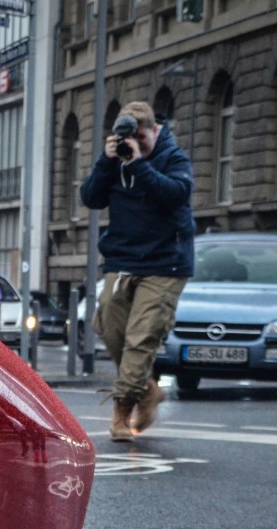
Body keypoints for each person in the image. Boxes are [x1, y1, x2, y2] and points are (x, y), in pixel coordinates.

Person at [80, 100, 195, 441]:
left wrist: (140, 164)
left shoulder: (173, 158)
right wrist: (107, 159)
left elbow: (175, 194)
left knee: (140, 338)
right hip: (122, 259)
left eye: (140, 138)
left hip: (165, 263)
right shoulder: (115, 160)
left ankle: (121, 412)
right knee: (111, 329)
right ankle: (146, 389)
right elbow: (90, 197)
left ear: (152, 131)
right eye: (129, 138)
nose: (135, 143)